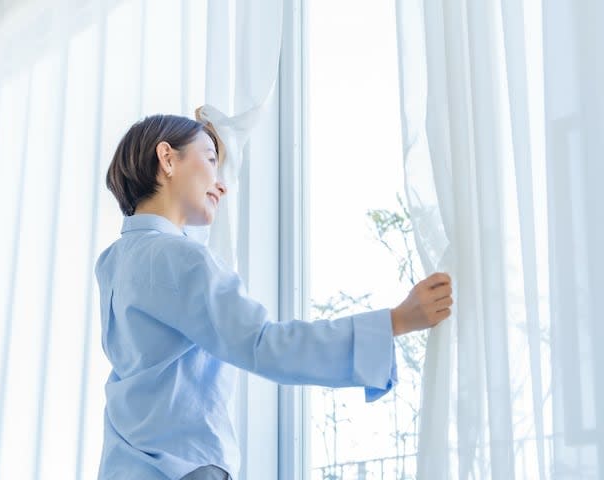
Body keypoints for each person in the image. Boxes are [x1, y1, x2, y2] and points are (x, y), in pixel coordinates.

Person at [95, 114, 453, 480]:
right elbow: (264, 344)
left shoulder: (112, 263)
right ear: (167, 159)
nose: (221, 185)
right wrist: (394, 322)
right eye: (211, 159)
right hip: (185, 470)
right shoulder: (183, 259)